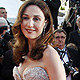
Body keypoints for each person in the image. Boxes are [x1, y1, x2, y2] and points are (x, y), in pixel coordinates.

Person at [12, 0, 66, 80]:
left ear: (45, 23)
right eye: (26, 18)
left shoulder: (49, 54)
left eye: (36, 19)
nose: (30, 24)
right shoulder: (23, 51)